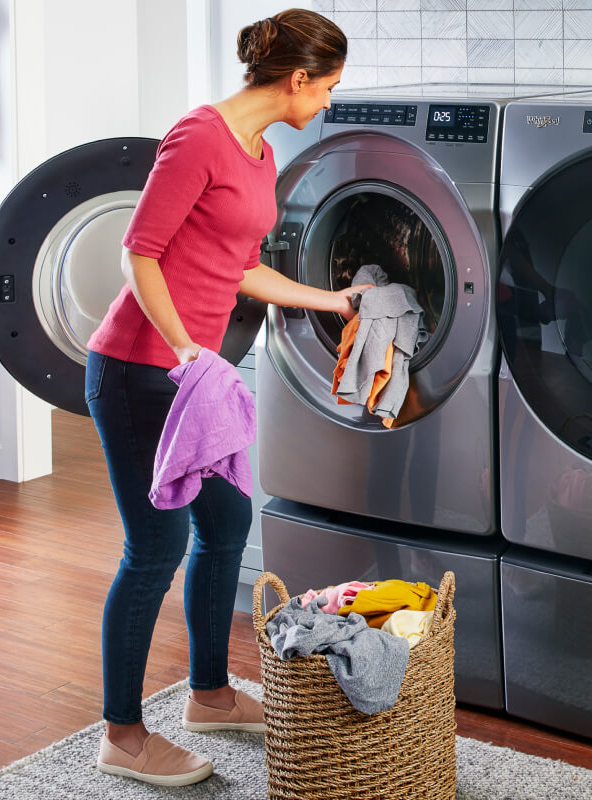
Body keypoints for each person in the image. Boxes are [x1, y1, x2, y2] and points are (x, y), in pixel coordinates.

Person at [84, 10, 366, 787]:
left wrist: (329, 300)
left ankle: (208, 693)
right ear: (298, 78)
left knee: (228, 521)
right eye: (331, 88)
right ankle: (123, 735)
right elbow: (139, 252)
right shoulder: (198, 137)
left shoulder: (260, 150)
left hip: (187, 376)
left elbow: (239, 265)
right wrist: (183, 350)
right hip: (141, 371)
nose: (330, 104)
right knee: (155, 549)